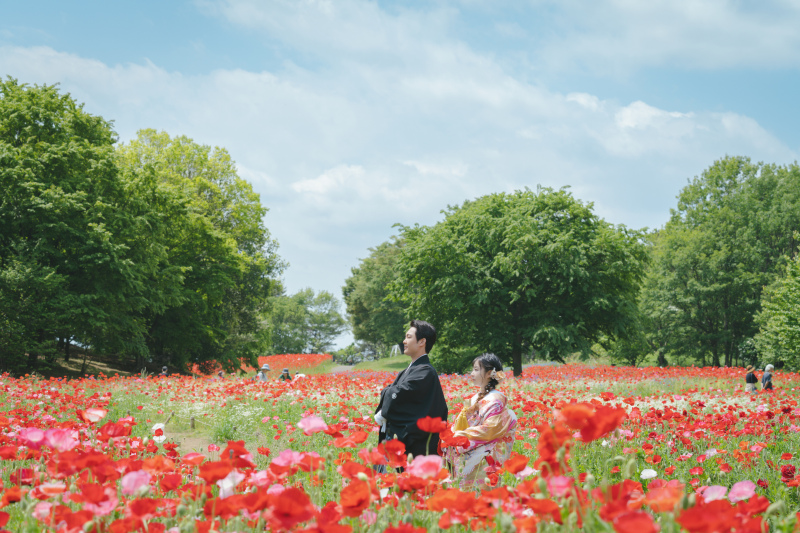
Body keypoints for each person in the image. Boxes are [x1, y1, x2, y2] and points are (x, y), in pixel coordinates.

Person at [374, 320, 448, 461]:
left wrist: (386, 394)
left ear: (421, 342)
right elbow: (395, 391)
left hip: (419, 446)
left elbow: (401, 393)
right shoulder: (410, 371)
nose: (404, 341)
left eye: (408, 337)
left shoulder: (426, 371)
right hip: (408, 444)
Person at [445, 353, 518, 488]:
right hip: (470, 454)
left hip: (484, 458)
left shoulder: (496, 400)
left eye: (476, 369)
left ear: (489, 373)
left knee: (482, 497)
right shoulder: (475, 398)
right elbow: (462, 424)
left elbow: (490, 430)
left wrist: (460, 437)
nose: (472, 373)